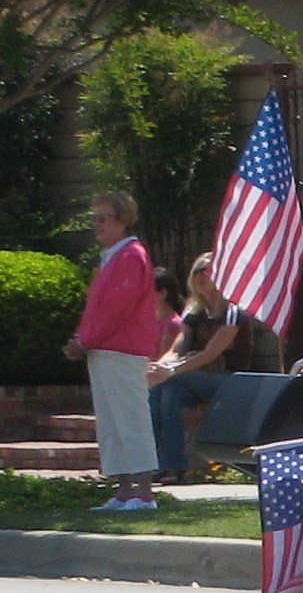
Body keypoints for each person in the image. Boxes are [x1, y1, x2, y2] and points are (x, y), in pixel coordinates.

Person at [62, 193, 159, 511]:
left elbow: (118, 306)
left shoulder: (131, 255)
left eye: (103, 217)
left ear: (123, 220)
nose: (96, 224)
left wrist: (85, 340)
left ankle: (144, 494)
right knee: (111, 422)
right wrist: (84, 337)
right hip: (105, 350)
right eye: (95, 218)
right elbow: (101, 308)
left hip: (122, 350)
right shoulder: (114, 256)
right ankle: (124, 491)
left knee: (130, 420)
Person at [147, 253, 253, 482]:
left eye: (208, 272)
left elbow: (210, 354)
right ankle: (168, 467)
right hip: (196, 378)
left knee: (169, 381)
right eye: (197, 271)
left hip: (230, 381)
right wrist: (161, 366)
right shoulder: (193, 311)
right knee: (165, 394)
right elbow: (178, 347)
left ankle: (159, 464)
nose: (201, 277)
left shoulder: (233, 312)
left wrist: (171, 371)